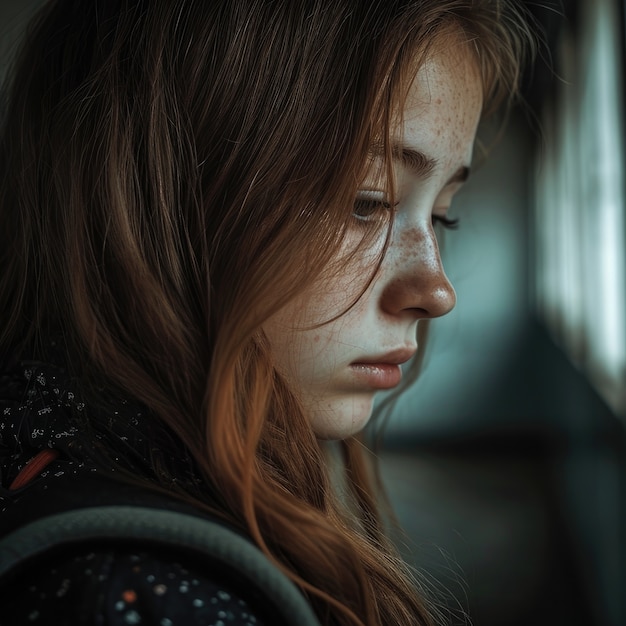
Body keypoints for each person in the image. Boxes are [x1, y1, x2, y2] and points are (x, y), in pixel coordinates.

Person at [0, 1, 533, 624]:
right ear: (159, 204)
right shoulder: (135, 593)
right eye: (368, 201)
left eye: (443, 215)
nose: (438, 292)